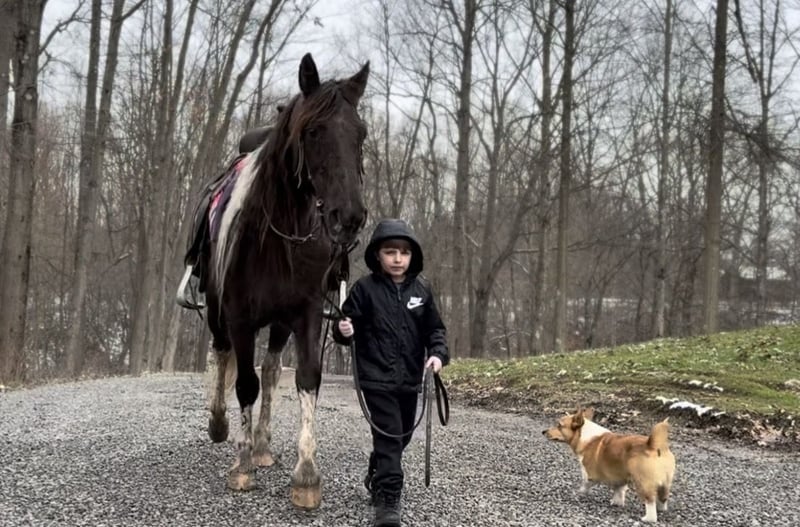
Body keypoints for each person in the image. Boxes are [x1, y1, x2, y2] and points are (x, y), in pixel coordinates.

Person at [333, 218, 449, 527]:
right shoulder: (365, 289)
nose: (397, 259)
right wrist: (344, 329)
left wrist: (437, 355)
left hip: (409, 379)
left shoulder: (422, 290)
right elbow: (345, 326)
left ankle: (378, 465)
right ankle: (387, 499)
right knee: (390, 433)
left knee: (402, 434)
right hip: (376, 377)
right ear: (378, 254)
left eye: (404, 252)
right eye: (390, 252)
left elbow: (435, 330)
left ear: (413, 256)